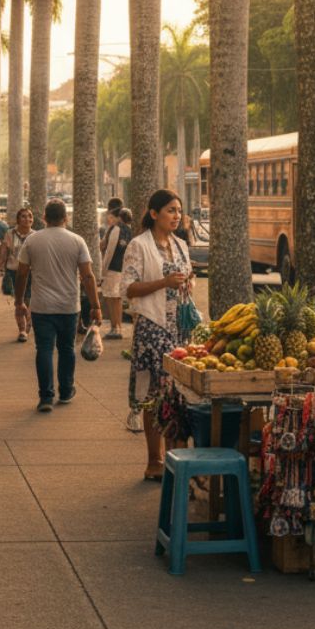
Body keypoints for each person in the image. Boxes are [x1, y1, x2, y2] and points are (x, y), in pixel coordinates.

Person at [122, 189, 194, 480]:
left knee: (177, 395)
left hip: (179, 329)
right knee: (154, 395)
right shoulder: (139, 245)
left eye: (178, 211)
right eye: (170, 211)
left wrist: (186, 282)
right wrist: (163, 282)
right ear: (154, 214)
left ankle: (175, 459)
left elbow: (187, 279)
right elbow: (129, 287)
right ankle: (154, 460)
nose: (176, 216)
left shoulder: (179, 245)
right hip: (153, 327)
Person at [14, 199, 101, 413]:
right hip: (68, 306)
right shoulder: (77, 241)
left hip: (41, 306)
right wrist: (96, 305)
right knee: (67, 349)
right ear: (66, 218)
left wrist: (19, 302)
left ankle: (45, 397)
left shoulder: (32, 241)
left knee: (43, 349)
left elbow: (22, 273)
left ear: (44, 217)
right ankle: (66, 390)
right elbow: (87, 276)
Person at [0, 207, 36, 341]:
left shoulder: (35, 235)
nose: (27, 219)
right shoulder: (10, 233)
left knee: (29, 300)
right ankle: (22, 330)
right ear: (18, 219)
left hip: (32, 272)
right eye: (24, 216)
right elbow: (4, 250)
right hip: (14, 271)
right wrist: (1, 266)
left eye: (30, 216)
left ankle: (28, 326)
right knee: (18, 301)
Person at [100, 206, 133, 340]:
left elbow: (110, 251)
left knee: (111, 298)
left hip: (113, 268)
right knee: (117, 298)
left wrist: (103, 270)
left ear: (118, 217)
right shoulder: (128, 230)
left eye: (111, 216)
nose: (109, 219)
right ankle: (117, 326)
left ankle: (115, 327)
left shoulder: (116, 229)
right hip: (122, 268)